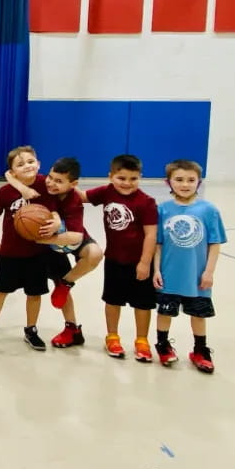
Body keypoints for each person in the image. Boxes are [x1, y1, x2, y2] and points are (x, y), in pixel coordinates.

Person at [8, 158, 103, 349]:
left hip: (64, 238)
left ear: (73, 184)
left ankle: (67, 284)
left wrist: (44, 237)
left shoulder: (74, 199)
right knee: (49, 282)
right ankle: (71, 328)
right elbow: (9, 173)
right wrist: (24, 189)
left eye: (59, 181)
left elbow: (75, 236)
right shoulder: (43, 185)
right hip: (49, 249)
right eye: (50, 177)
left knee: (95, 253)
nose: (51, 183)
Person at [81, 154, 159, 361]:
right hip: (114, 259)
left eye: (133, 179)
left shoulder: (146, 202)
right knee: (112, 300)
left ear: (140, 177)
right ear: (110, 176)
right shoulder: (106, 192)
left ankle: (142, 340)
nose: (127, 183)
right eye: (121, 178)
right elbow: (79, 197)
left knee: (142, 304)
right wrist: (52, 186)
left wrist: (145, 262)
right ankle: (112, 337)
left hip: (139, 262)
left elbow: (151, 234)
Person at [153, 159, 226, 373]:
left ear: (199, 181)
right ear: (169, 182)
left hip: (197, 277)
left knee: (199, 315)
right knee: (165, 313)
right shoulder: (163, 209)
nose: (185, 184)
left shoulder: (208, 210)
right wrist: (156, 270)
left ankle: (200, 350)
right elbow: (158, 244)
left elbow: (215, 244)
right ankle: (163, 345)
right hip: (168, 275)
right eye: (179, 179)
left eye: (191, 180)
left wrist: (209, 272)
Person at [0, 145, 49, 352]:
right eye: (20, 164)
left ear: (39, 164)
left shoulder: (45, 185)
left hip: (37, 252)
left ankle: (31, 330)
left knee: (34, 294)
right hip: (10, 252)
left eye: (30, 161)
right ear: (12, 171)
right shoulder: (6, 191)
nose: (27, 166)